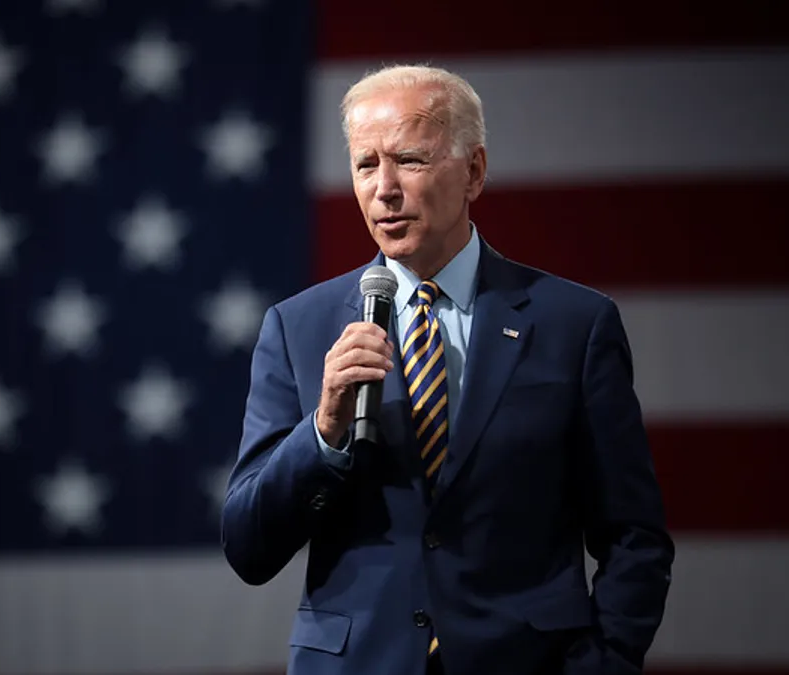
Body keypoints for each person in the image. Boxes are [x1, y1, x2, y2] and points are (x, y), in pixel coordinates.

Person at [220, 64, 674, 675]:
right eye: (364, 164)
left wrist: (606, 662)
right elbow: (249, 547)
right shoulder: (297, 327)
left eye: (409, 159)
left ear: (474, 172)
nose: (384, 188)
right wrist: (323, 431)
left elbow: (634, 536)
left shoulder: (574, 324)